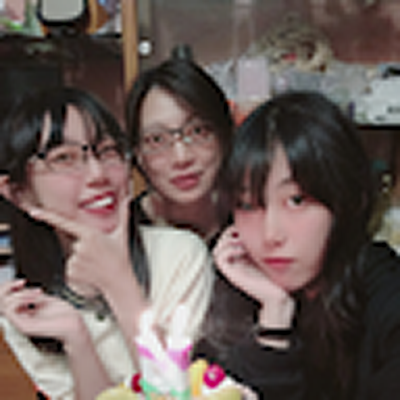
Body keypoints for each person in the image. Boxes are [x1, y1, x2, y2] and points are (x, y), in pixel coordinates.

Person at [0, 87, 213, 400]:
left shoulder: (180, 255)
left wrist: (119, 283)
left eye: (108, 151)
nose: (98, 174)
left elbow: (177, 392)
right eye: (64, 158)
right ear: (19, 193)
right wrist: (77, 340)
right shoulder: (27, 306)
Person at [196, 90, 400, 399]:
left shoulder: (384, 296)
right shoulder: (232, 296)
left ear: (345, 201)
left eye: (296, 200)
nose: (271, 234)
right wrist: (274, 316)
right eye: (248, 204)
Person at [125, 57, 234, 247]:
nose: (181, 158)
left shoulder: (249, 221)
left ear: (223, 136)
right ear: (138, 154)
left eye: (197, 131)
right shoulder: (124, 237)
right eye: (157, 139)